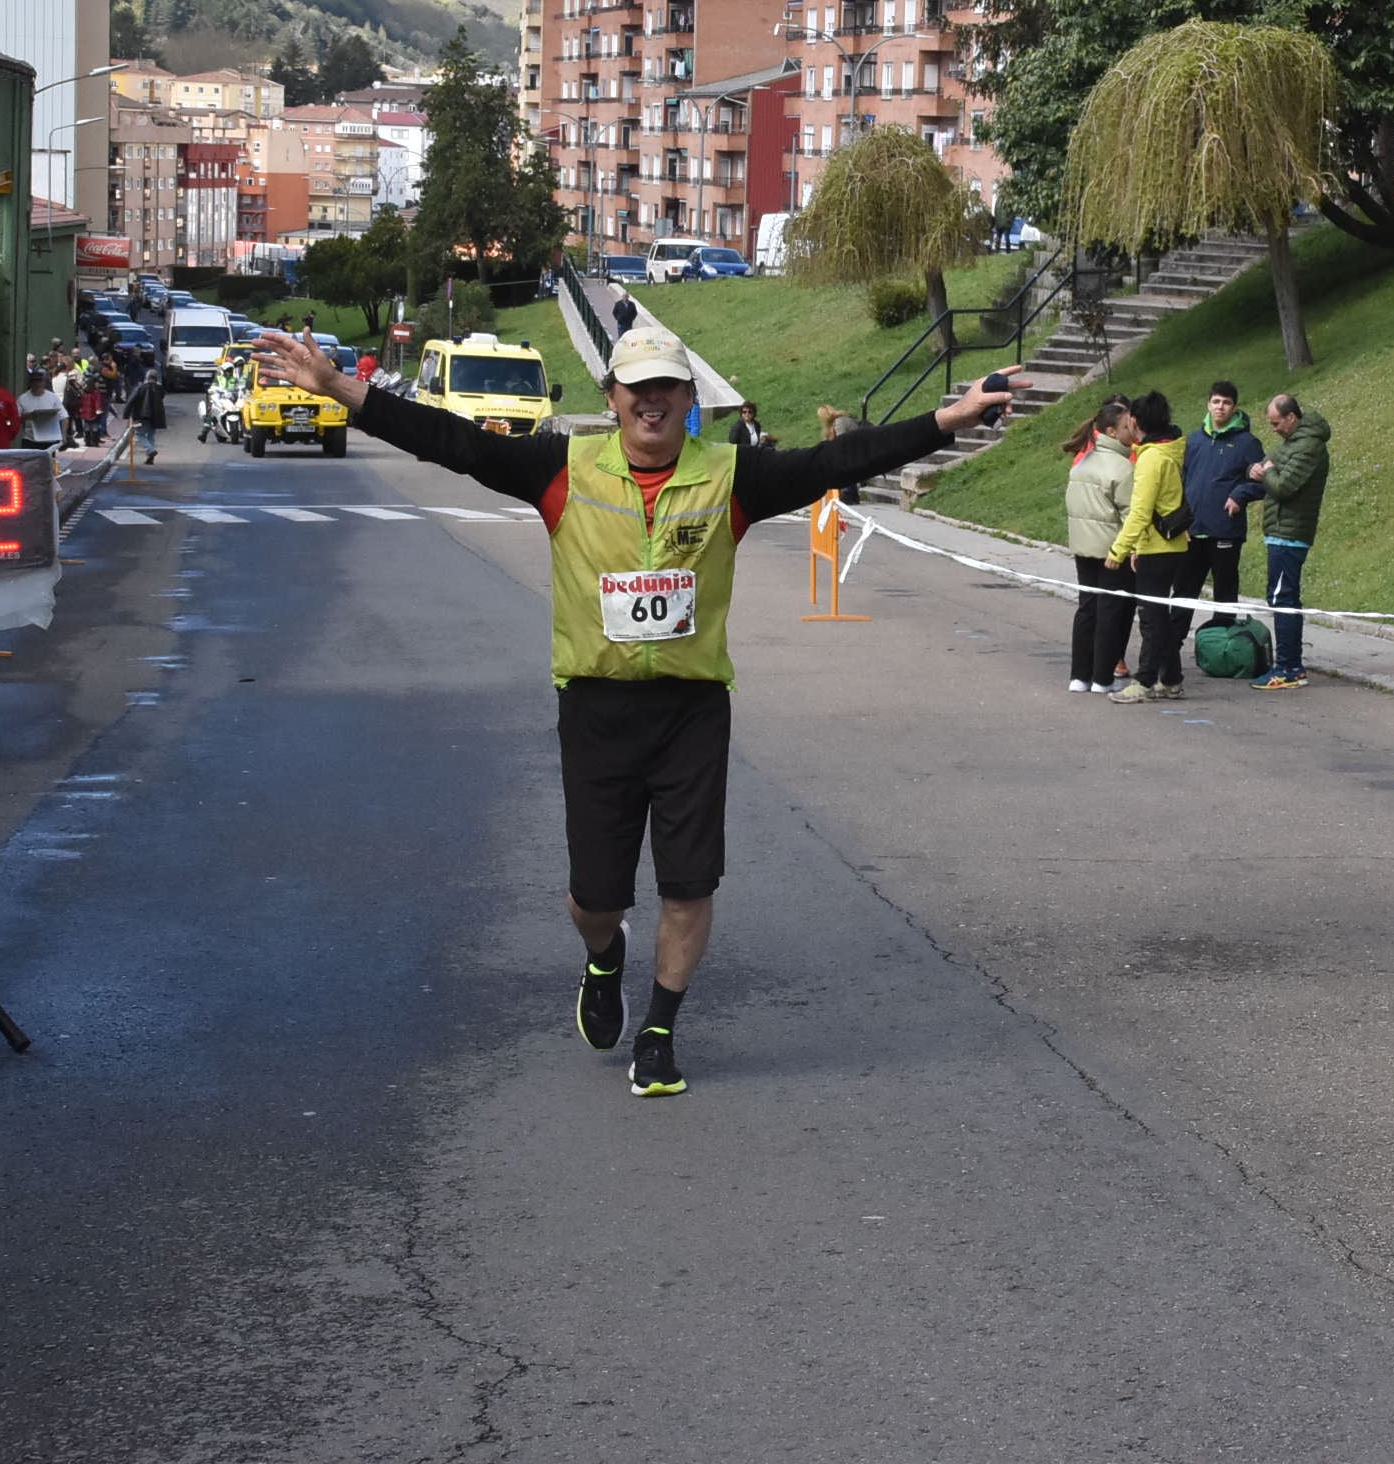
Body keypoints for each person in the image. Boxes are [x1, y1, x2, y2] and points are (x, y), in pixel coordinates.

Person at [252, 323, 1020, 1100]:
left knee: (689, 885)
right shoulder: (563, 468)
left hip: (691, 709)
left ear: (689, 401)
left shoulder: (731, 476)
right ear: (613, 398)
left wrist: (945, 422)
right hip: (595, 708)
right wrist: (341, 389)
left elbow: (838, 460)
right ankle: (604, 955)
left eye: (668, 388)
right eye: (637, 388)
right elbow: (453, 442)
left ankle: (658, 1032)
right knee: (596, 897)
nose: (652, 401)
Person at [1104, 392, 1191, 704]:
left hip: (1159, 547)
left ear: (1136, 422)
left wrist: (1119, 550)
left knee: (1151, 618)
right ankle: (1171, 679)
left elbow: (1140, 511)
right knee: (1160, 616)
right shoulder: (1165, 450)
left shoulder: (1151, 458)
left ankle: (1144, 681)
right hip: (1167, 544)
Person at [1245, 393, 1331, 691]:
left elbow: (1284, 486)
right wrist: (1257, 470)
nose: (1274, 429)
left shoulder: (1309, 446)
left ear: (1292, 418)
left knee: (1284, 599)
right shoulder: (1293, 443)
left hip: (1290, 535)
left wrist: (1266, 472)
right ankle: (1287, 664)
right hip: (1279, 531)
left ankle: (1289, 668)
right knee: (1280, 597)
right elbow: (1264, 464)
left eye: (1276, 423)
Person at [1065, 399, 1140, 695]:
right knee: (1112, 612)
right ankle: (1102, 677)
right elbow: (1131, 514)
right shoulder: (1123, 469)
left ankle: (1079, 675)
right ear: (1111, 431)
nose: (1131, 431)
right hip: (1113, 551)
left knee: (1087, 609)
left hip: (1083, 547)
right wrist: (1129, 548)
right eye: (1126, 426)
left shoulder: (1082, 464)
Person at [1179, 381, 1265, 632]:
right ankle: (1171, 646)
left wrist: (1240, 494)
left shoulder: (1247, 443)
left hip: (1225, 530)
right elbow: (1182, 481)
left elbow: (1264, 482)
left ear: (1234, 407)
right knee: (1184, 590)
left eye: (1226, 402)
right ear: (1208, 404)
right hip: (1192, 530)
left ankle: (1223, 647)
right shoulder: (1194, 440)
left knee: (1225, 591)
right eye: (1216, 401)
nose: (1220, 407)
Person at [15, 367, 66, 450]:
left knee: (48, 463)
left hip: (50, 439)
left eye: (39, 381)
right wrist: (29, 416)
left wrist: (63, 436)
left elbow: (64, 417)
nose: (37, 384)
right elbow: (16, 418)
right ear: (30, 383)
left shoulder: (52, 397)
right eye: (34, 381)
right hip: (30, 439)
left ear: (44, 383)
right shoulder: (22, 399)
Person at [129, 357, 166, 465]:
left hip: (142, 415)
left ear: (147, 377)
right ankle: (150, 458)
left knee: (139, 434)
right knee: (150, 435)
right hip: (156, 416)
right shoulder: (160, 388)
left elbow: (132, 400)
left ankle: (150, 450)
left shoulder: (141, 388)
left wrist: (127, 414)